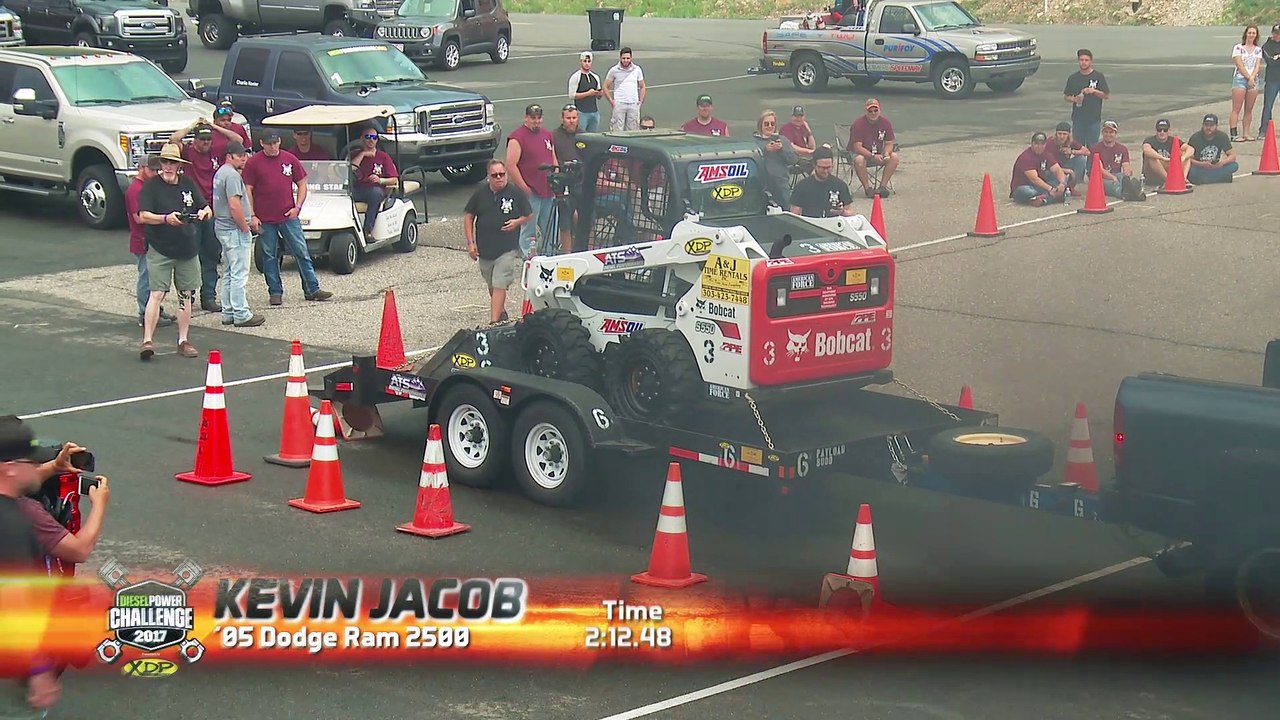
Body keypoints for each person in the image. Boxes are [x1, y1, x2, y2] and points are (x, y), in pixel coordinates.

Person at [0, 416, 65, 714]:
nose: (36, 467)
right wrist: (38, 670)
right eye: (30, 462)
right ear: (9, 468)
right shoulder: (12, 524)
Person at [136, 143, 212, 360]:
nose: (168, 167)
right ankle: (147, 340)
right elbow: (143, 215)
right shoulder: (151, 186)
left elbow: (204, 206)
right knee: (157, 293)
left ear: (179, 165)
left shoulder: (188, 184)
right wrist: (165, 218)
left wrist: (204, 213)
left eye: (173, 163)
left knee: (185, 295)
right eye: (165, 162)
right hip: (161, 247)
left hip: (187, 248)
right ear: (161, 164)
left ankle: (183, 340)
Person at [245, 130, 333, 306]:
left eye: (275, 142)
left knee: (301, 252)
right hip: (265, 219)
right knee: (270, 256)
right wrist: (252, 215)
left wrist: (298, 207)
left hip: (288, 215)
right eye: (269, 143)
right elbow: (248, 189)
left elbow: (302, 183)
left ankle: (312, 288)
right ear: (261, 143)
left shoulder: (289, 158)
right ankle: (275, 292)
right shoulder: (254, 163)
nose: (273, 146)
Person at [464, 160, 532, 325]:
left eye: (502, 174)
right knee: (491, 284)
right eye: (495, 175)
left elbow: (529, 214)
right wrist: (471, 243)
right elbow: (468, 216)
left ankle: (493, 322)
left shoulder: (515, 192)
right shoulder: (480, 193)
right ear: (489, 177)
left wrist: (517, 222)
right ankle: (500, 312)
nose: (499, 178)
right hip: (486, 249)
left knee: (499, 282)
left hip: (507, 249)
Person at [213, 142, 264, 327]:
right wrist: (244, 226)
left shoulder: (220, 173)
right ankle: (241, 314)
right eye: (239, 155)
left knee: (228, 271)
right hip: (234, 229)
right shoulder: (232, 175)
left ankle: (228, 312)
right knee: (239, 274)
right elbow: (234, 205)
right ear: (230, 156)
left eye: (244, 155)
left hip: (222, 227)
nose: (244, 158)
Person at [177, 125, 224, 312]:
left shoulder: (215, 153)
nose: (206, 143)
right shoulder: (188, 152)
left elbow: (238, 140)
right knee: (190, 255)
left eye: (208, 139)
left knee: (211, 254)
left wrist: (213, 125)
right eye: (202, 139)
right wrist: (191, 125)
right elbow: (174, 139)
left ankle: (209, 296)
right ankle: (188, 294)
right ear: (194, 140)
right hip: (192, 212)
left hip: (211, 211)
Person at [125, 155, 175, 328]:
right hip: (141, 239)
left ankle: (155, 309)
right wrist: (161, 216)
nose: (156, 173)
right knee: (146, 278)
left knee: (154, 278)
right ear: (141, 168)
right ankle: (143, 313)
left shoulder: (146, 187)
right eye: (152, 170)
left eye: (157, 170)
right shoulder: (135, 190)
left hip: (151, 238)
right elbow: (139, 218)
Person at [505, 104, 558, 256]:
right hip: (531, 191)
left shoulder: (547, 135)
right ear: (526, 118)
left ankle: (550, 255)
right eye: (533, 118)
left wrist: (557, 177)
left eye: (539, 118)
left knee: (551, 226)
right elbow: (511, 164)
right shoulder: (517, 137)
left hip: (548, 189)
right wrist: (524, 187)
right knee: (529, 227)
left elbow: (553, 158)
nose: (536, 121)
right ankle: (529, 257)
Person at [347, 125, 400, 245]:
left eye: (374, 137)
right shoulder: (355, 154)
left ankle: (368, 230)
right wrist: (363, 155)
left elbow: (394, 179)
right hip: (357, 188)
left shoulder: (383, 157)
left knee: (375, 193)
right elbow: (349, 169)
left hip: (375, 189)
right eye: (368, 137)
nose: (371, 140)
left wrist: (380, 180)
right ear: (362, 139)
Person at [847, 97, 899, 198]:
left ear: (880, 110)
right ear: (866, 111)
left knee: (894, 157)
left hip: (878, 153)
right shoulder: (858, 124)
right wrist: (872, 156)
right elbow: (857, 147)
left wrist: (886, 153)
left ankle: (882, 187)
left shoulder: (886, 123)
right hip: (859, 154)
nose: (873, 113)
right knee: (859, 159)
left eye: (876, 110)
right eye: (870, 111)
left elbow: (889, 143)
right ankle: (868, 189)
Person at [789, 147, 854, 217]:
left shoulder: (840, 185)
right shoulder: (802, 186)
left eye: (829, 167)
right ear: (814, 165)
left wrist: (842, 212)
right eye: (822, 168)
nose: (826, 171)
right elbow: (794, 216)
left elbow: (850, 213)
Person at [1063, 49, 1109, 147]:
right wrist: (1073, 99)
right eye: (1081, 60)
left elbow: (1106, 95)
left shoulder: (1098, 76)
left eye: (1086, 60)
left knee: (1092, 146)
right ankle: (1081, 162)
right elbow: (1066, 96)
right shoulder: (1073, 78)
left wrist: (1094, 91)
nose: (1084, 62)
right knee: (1078, 146)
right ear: (1078, 61)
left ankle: (1090, 163)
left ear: (1091, 61)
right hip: (1078, 118)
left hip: (1093, 118)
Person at [753, 109, 797, 208]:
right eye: (766, 124)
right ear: (761, 125)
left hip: (781, 184)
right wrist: (765, 150)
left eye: (772, 124)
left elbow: (793, 160)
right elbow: (751, 161)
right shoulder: (754, 141)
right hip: (761, 185)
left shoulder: (783, 140)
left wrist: (782, 149)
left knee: (785, 211)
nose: (769, 126)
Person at [1010, 132, 1068, 206]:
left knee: (1060, 181)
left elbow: (1057, 169)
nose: (1039, 146)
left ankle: (1043, 199)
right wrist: (1050, 189)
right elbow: (1034, 179)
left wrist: (1062, 184)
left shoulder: (1046, 154)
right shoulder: (1026, 157)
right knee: (1030, 192)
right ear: (1032, 144)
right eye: (1037, 144)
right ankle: (1052, 197)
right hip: (1023, 187)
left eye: (1042, 144)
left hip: (1039, 186)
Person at [1230, 25, 1264, 141]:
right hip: (1240, 78)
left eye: (1253, 33)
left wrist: (1252, 77)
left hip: (1253, 79)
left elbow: (1257, 65)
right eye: (1249, 33)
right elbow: (1239, 64)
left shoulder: (1258, 50)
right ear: (1246, 34)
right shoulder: (1238, 48)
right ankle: (1234, 134)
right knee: (1236, 108)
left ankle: (1246, 133)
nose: (1251, 35)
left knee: (1249, 108)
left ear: (1256, 35)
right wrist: (1248, 77)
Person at [1186, 113, 1239, 184]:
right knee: (1190, 171)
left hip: (1215, 166)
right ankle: (1220, 178)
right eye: (1206, 125)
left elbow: (1232, 155)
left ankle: (1205, 179)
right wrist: (1201, 164)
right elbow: (1188, 159)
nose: (1208, 128)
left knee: (1234, 165)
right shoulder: (1195, 138)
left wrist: (1222, 162)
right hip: (1199, 167)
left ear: (1216, 126)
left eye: (1211, 125)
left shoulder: (1222, 136)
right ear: (1203, 125)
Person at [1141, 118, 1194, 188]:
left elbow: (1191, 149)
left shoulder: (1173, 140)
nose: (1162, 132)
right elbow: (1146, 150)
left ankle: (1183, 179)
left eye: (1165, 130)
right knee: (1152, 157)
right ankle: (1168, 180)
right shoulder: (1149, 140)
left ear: (1169, 131)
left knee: (1186, 155)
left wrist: (1183, 158)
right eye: (1159, 130)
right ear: (1156, 131)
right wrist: (1162, 158)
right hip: (1153, 174)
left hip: (1169, 169)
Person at [1088, 120, 1135, 199]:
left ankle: (1131, 190)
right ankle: (1125, 194)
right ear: (1102, 133)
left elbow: (1126, 165)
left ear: (1115, 134)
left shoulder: (1122, 149)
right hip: (1100, 178)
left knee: (1123, 177)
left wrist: (1127, 173)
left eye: (1111, 132)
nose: (1108, 134)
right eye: (1106, 132)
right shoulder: (1095, 148)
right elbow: (1100, 170)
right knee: (1114, 184)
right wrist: (1113, 178)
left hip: (1116, 174)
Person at [604, 47, 645, 131]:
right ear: (620, 58)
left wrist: (640, 102)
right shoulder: (614, 70)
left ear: (631, 58)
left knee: (633, 130)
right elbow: (605, 86)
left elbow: (642, 86)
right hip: (619, 104)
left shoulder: (637, 70)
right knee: (617, 130)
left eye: (628, 58)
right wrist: (611, 101)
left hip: (633, 104)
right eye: (623, 58)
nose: (626, 60)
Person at [567, 51, 604, 133]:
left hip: (594, 112)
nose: (587, 64)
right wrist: (588, 93)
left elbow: (598, 95)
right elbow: (572, 95)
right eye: (585, 61)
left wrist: (599, 94)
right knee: (581, 135)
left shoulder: (595, 77)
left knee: (593, 136)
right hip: (581, 112)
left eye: (589, 61)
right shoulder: (576, 77)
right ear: (580, 62)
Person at [1048, 121, 1089, 189]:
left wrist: (1072, 151)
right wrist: (1068, 171)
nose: (1062, 136)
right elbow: (1048, 166)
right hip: (1052, 169)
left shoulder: (1070, 142)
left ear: (1068, 135)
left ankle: (1072, 185)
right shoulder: (1050, 144)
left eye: (1064, 134)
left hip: (1064, 165)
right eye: (1059, 134)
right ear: (1056, 134)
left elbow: (1087, 152)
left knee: (1081, 159)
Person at [1260, 23, 1280, 138]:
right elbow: (1270, 62)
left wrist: (1277, 57)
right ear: (1272, 33)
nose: (1278, 36)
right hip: (1272, 79)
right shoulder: (1267, 46)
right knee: (1268, 105)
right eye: (1276, 33)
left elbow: (1274, 60)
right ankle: (1264, 129)